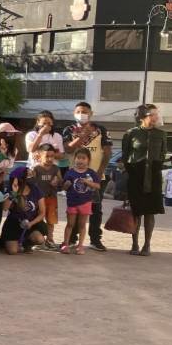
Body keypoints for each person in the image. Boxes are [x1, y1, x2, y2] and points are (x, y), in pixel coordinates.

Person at [62, 101, 112, 251]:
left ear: (91, 114)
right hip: (75, 176)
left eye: (85, 111)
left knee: (96, 208)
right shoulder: (69, 129)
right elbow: (68, 149)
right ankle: (71, 239)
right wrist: (83, 135)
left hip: (96, 176)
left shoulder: (100, 129)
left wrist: (99, 171)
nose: (82, 114)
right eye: (78, 111)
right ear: (74, 113)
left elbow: (107, 151)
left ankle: (95, 239)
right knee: (75, 207)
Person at [122, 104, 167, 255]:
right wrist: (132, 172)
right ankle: (134, 243)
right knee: (136, 211)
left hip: (153, 175)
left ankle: (147, 245)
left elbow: (162, 155)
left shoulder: (161, 134)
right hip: (136, 175)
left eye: (156, 114)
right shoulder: (131, 133)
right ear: (143, 117)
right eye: (153, 114)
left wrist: (154, 166)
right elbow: (125, 156)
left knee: (150, 212)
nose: (156, 117)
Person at [60, 149, 101, 255]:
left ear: (88, 160)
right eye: (78, 158)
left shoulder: (91, 173)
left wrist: (88, 182)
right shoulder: (70, 172)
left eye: (83, 158)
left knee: (82, 225)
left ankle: (80, 245)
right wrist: (66, 185)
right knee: (70, 224)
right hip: (72, 202)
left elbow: (97, 186)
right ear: (74, 159)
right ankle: (65, 244)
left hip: (86, 202)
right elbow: (64, 187)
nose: (80, 161)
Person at [0, 168, 48, 254]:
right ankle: (12, 241)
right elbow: (5, 208)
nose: (31, 177)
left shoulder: (35, 189)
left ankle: (27, 244)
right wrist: (13, 193)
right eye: (28, 175)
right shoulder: (12, 190)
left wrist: (31, 223)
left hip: (30, 223)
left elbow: (42, 213)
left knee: (39, 239)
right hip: (14, 223)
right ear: (20, 179)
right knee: (13, 251)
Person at [30, 144, 62, 248]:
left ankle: (50, 239)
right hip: (39, 199)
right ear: (39, 156)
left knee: (50, 220)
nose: (50, 159)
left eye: (52, 156)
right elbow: (31, 182)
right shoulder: (36, 168)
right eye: (47, 156)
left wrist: (57, 181)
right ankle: (38, 239)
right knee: (38, 218)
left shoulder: (56, 169)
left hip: (51, 198)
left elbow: (61, 181)